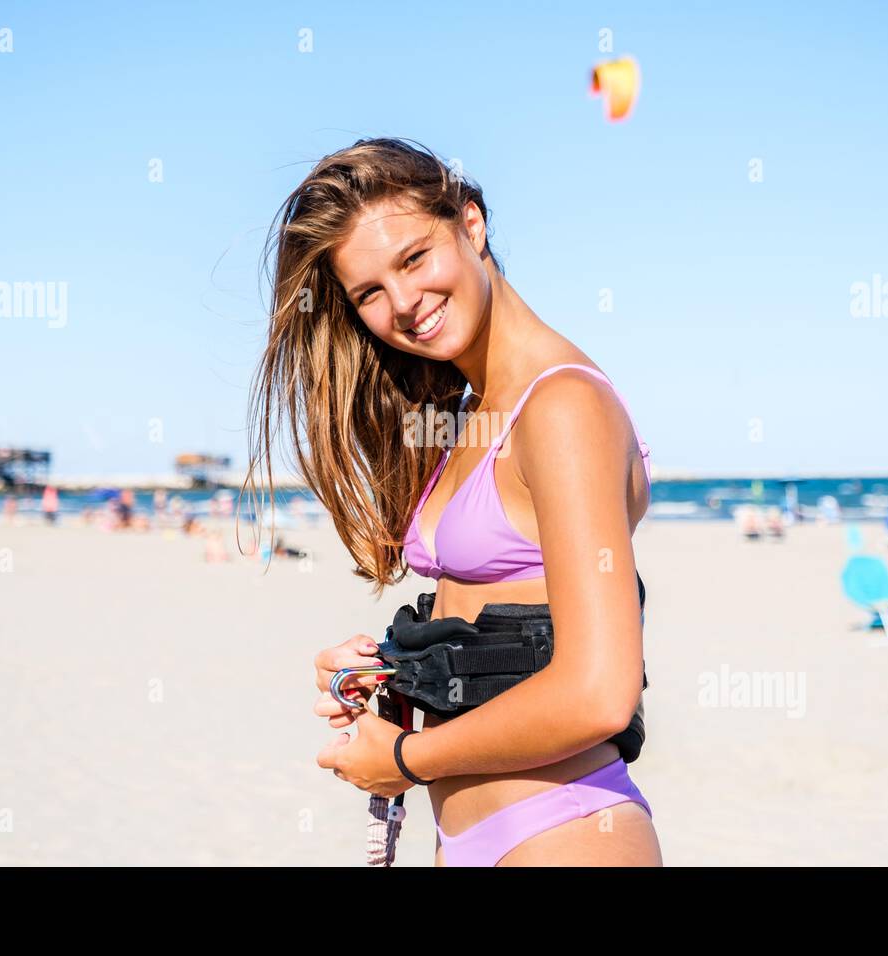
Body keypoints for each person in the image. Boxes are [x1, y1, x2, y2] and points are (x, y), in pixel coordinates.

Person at [246, 138, 659, 867]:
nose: (404, 302)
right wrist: (392, 669)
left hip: (561, 831)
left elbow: (599, 691)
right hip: (464, 839)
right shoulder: (474, 411)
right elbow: (501, 628)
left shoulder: (560, 406)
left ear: (471, 225)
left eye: (414, 259)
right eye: (369, 292)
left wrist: (406, 759)